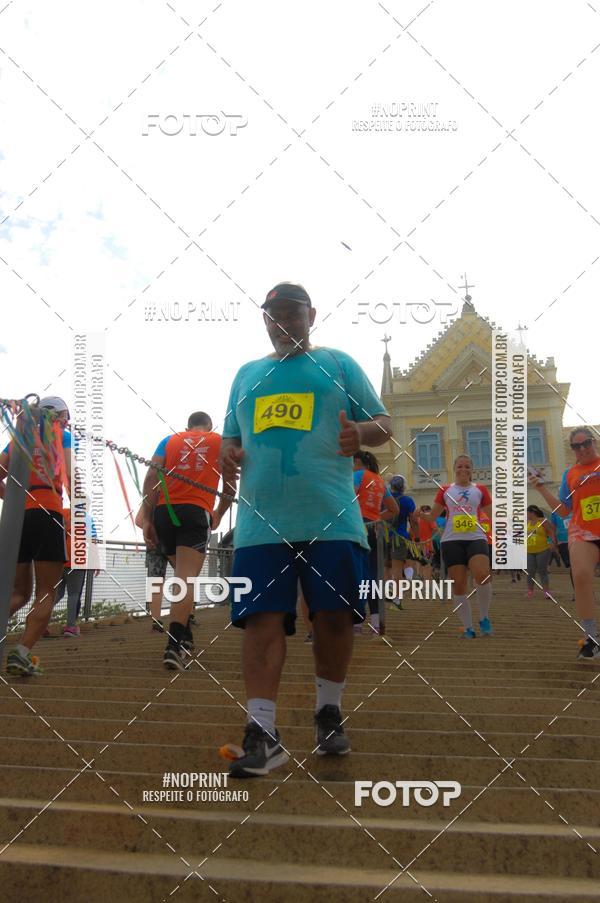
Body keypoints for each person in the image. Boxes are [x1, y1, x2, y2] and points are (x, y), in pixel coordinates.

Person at [220, 281, 392, 777]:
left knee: (335, 618)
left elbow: (383, 423)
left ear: (311, 314)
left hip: (332, 517)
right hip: (259, 522)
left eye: (291, 313)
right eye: (272, 316)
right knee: (260, 621)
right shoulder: (246, 374)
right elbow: (232, 438)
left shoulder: (337, 364)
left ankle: (328, 710)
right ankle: (262, 732)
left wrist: (359, 432)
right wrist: (229, 453)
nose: (281, 323)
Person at [141, 411, 232, 670]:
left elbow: (150, 478)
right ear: (210, 426)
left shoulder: (170, 440)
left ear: (188, 426)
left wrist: (148, 517)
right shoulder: (219, 441)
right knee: (186, 578)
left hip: (164, 512)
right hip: (195, 511)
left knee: (180, 576)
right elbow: (230, 487)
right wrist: (219, 513)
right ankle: (173, 646)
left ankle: (186, 637)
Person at [0, 397, 71, 675]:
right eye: (66, 416)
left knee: (18, 592)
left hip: (17, 518)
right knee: (46, 592)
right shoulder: (61, 436)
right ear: (59, 415)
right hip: (47, 513)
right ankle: (22, 653)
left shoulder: (19, 437)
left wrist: (17, 498)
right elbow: (71, 475)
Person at [530, 427, 600, 659]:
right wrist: (540, 488)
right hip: (582, 533)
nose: (582, 449)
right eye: (576, 446)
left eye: (586, 443)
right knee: (580, 575)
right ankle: (591, 639)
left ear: (594, 442)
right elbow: (563, 509)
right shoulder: (570, 474)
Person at [420, 455, 493, 637]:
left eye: (467, 466)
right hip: (451, 540)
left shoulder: (481, 490)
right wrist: (419, 515)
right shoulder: (445, 490)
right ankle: (468, 627)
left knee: (483, 575)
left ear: (472, 470)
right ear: (454, 468)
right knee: (459, 584)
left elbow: (493, 515)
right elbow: (431, 517)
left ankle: (484, 617)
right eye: (460, 466)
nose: (463, 469)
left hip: (475, 537)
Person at [352, 450, 398, 635]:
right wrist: (377, 516)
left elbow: (349, 499)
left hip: (357, 527)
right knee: (373, 576)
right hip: (374, 529)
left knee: (358, 575)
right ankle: (376, 622)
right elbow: (394, 509)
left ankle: (357, 621)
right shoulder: (379, 480)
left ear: (357, 461)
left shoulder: (357, 475)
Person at [54, 506, 99, 636]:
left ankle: (41, 623)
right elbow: (94, 543)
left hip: (59, 558)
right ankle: (70, 627)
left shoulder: (64, 513)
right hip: (77, 560)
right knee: (74, 594)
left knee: (56, 594)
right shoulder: (88, 519)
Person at [384, 475, 419, 609]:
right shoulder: (407, 500)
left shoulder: (385, 499)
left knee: (385, 567)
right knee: (397, 569)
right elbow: (414, 521)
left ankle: (387, 592)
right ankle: (397, 598)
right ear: (403, 487)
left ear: (390, 486)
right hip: (400, 537)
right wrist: (416, 538)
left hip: (384, 536)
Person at [135, 503, 170, 632]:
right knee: (185, 576)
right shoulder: (179, 492)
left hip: (154, 544)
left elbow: (139, 520)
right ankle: (187, 617)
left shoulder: (151, 496)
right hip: (178, 542)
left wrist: (151, 528)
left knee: (155, 582)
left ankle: (156, 621)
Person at [525, 505, 556, 598]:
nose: (526, 515)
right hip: (529, 550)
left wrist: (552, 542)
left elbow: (551, 532)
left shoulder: (543, 521)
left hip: (542, 550)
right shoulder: (527, 522)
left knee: (542, 571)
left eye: (527, 512)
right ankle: (530, 591)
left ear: (532, 513)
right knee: (530, 572)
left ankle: (546, 592)